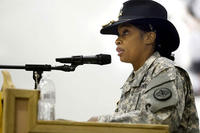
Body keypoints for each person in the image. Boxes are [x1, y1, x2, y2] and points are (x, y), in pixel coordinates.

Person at [88, 0, 199, 132]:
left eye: (126, 32)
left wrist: (101, 122)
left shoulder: (164, 70)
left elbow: (161, 122)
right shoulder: (135, 78)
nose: (117, 40)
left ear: (149, 37)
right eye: (118, 34)